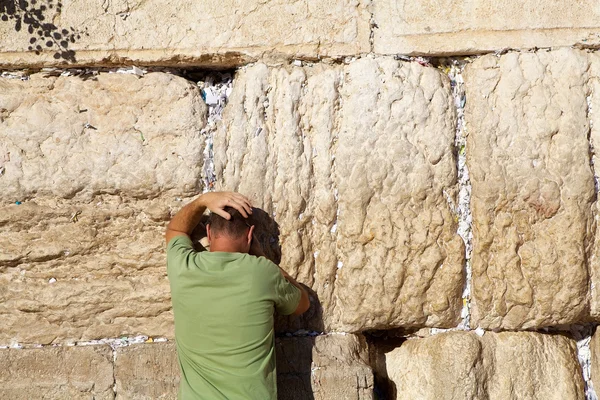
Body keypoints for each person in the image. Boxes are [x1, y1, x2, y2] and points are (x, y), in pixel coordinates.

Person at [165, 191, 310, 399]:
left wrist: (203, 201)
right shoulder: (263, 272)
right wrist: (262, 257)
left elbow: (176, 229)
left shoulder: (184, 266)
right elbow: (302, 303)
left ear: (208, 231)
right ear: (250, 235)